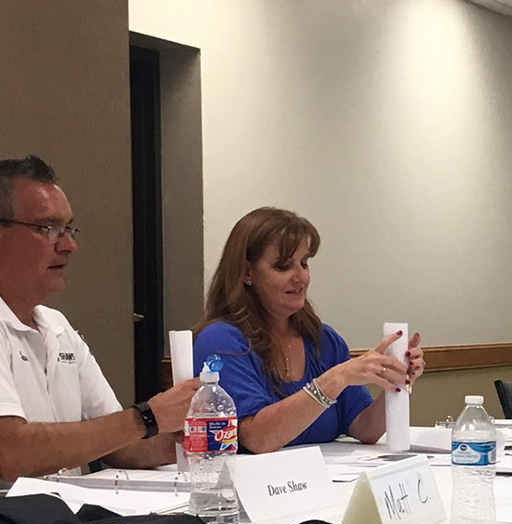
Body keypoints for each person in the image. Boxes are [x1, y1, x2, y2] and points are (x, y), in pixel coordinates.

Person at [0, 155, 198, 482]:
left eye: (69, 229)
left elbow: (120, 448)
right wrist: (147, 418)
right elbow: (11, 453)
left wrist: (187, 434)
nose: (70, 246)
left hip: (60, 519)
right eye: (48, 228)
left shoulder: (58, 327)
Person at [192, 207, 426, 453]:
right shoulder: (221, 340)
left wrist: (401, 379)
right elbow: (258, 438)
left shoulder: (323, 340)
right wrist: (333, 380)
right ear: (247, 272)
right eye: (283, 266)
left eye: (304, 263)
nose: (300, 277)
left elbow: (365, 428)